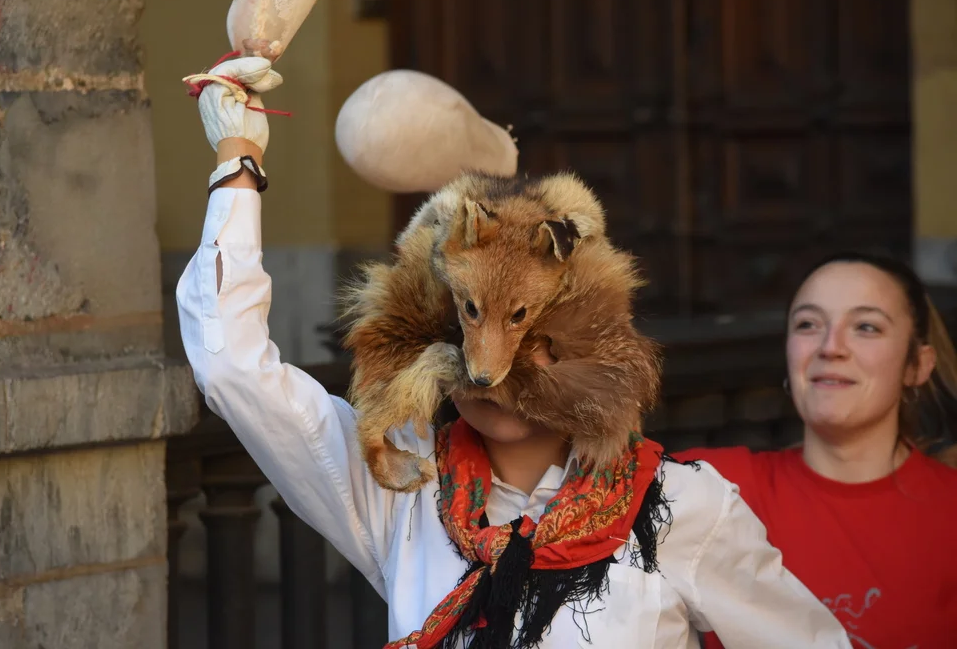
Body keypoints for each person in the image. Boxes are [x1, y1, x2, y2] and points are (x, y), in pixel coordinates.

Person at [176, 55, 852, 648]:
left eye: (534, 338)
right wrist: (239, 159)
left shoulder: (681, 507)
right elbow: (233, 368)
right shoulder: (402, 491)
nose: (488, 369)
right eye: (463, 331)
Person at [674, 253, 957, 649]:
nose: (830, 347)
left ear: (917, 365)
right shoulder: (715, 487)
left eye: (866, 327)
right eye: (808, 324)